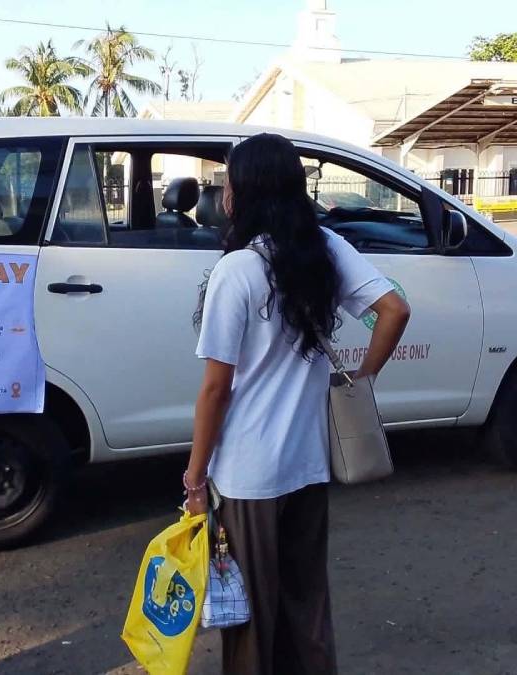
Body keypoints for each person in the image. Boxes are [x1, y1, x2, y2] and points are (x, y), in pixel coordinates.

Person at [184, 133, 411, 675]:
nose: (224, 194)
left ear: (244, 193)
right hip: (307, 466)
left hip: (247, 478)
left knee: (250, 622)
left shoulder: (236, 270)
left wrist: (194, 479)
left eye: (228, 184)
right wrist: (363, 378)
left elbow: (216, 389)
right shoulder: (326, 249)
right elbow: (395, 310)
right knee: (306, 610)